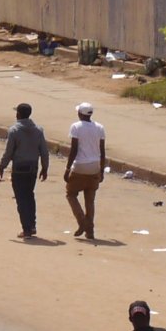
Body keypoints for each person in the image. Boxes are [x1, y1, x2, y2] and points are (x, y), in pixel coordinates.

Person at [0, 101, 49, 239]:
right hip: (32, 169)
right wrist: (45, 167)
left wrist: (2, 167)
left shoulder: (14, 131)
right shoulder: (38, 130)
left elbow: (8, 152)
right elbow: (44, 151)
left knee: (21, 199)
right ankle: (32, 225)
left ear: (18, 114)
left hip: (19, 169)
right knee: (29, 196)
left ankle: (26, 229)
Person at [63, 101, 107, 240]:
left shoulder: (76, 127)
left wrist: (67, 168)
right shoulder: (99, 127)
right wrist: (101, 170)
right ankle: (90, 231)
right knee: (90, 199)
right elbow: (102, 151)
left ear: (80, 114)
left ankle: (82, 222)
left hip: (80, 166)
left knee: (71, 194)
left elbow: (74, 150)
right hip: (94, 166)